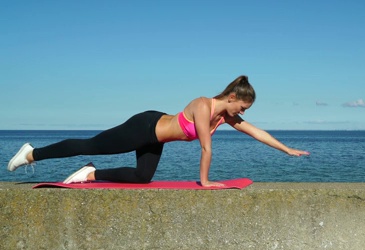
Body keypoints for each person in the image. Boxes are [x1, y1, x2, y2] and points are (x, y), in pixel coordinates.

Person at [7, 75, 309, 187]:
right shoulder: (203, 106)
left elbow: (257, 133)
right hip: (144, 127)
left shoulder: (225, 118)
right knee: (91, 144)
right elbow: (206, 148)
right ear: (232, 98)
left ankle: (90, 174)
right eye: (242, 107)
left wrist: (287, 149)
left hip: (156, 136)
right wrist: (205, 182)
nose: (243, 114)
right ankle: (32, 154)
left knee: (142, 177)